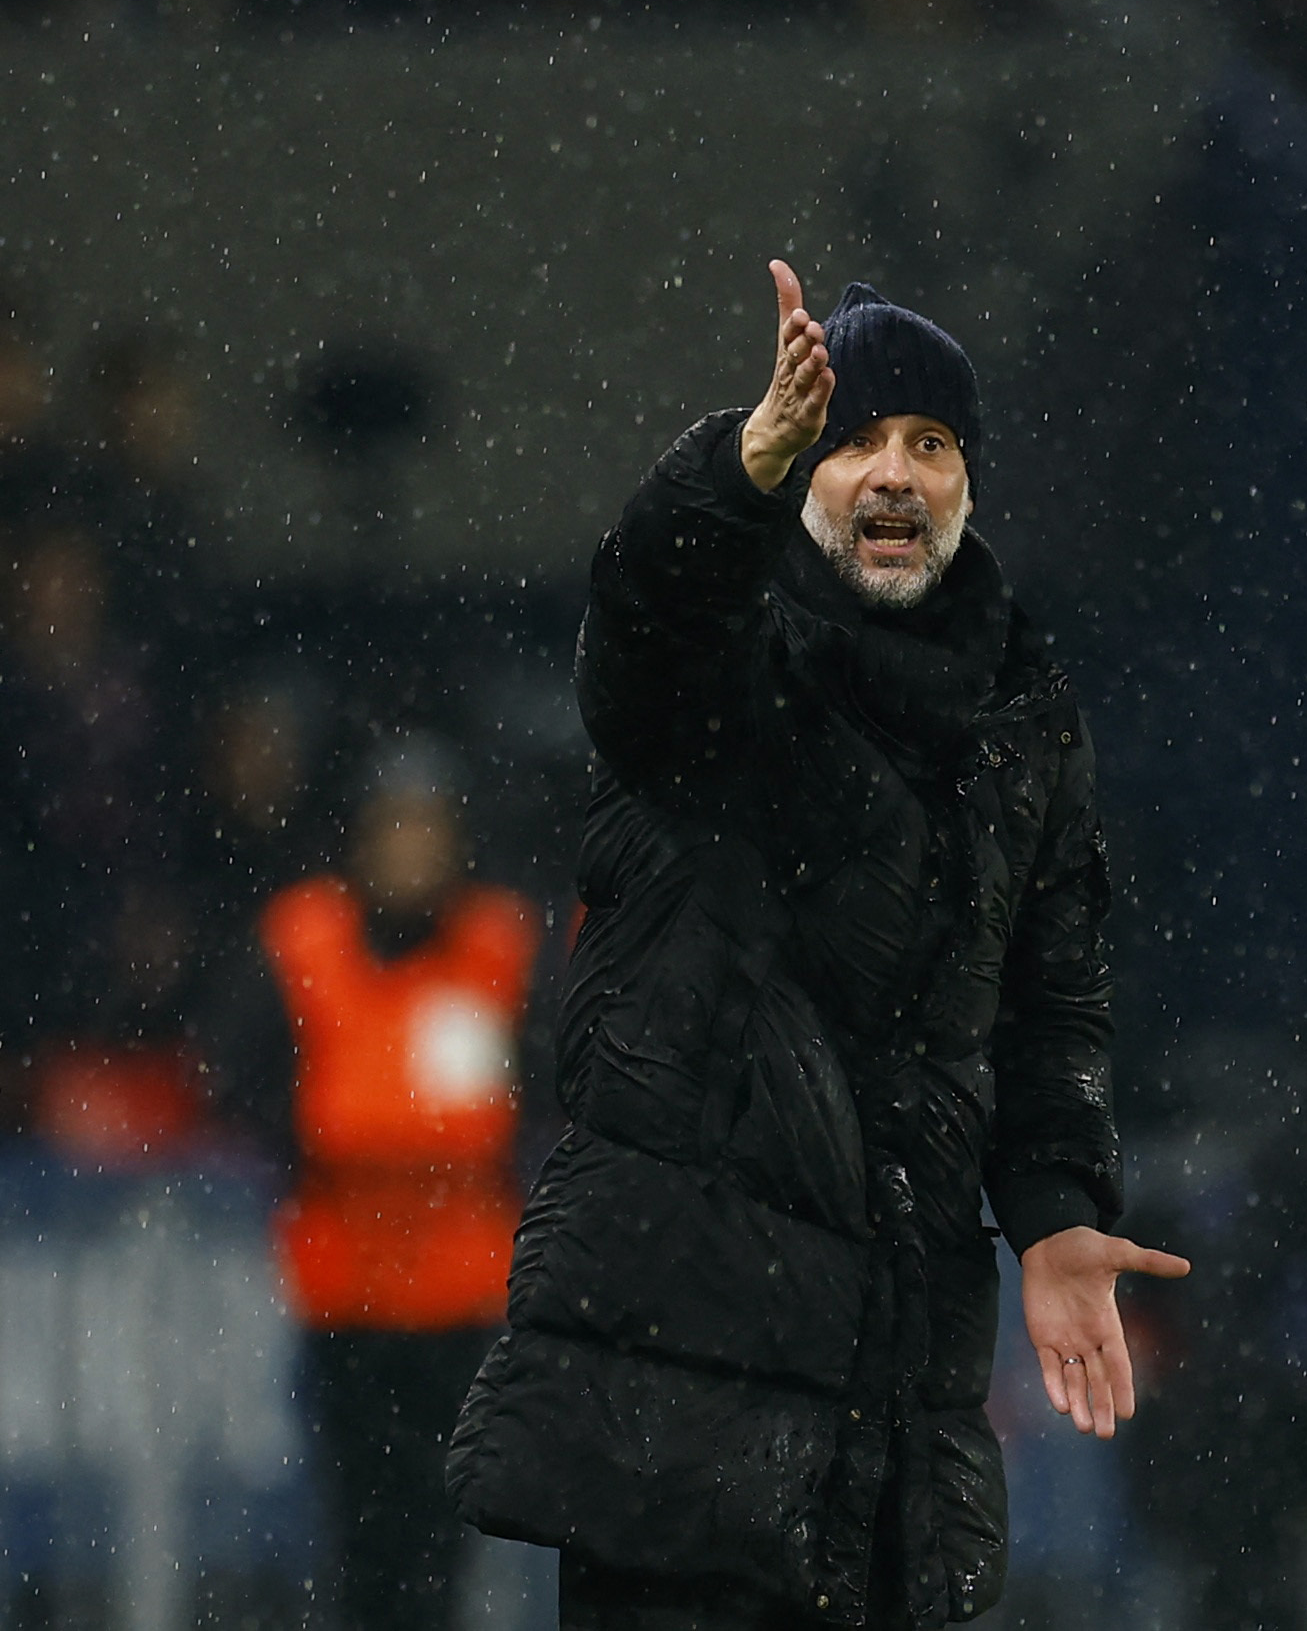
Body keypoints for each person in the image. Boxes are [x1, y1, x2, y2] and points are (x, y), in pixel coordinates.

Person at [447, 262, 1188, 1631]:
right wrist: (740, 461)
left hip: (888, 1401)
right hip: (678, 1388)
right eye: (854, 440)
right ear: (803, 475)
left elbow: (1052, 991)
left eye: (932, 443)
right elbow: (640, 638)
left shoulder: (1024, 712)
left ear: (971, 484)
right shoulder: (725, 664)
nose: (895, 472)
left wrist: (1059, 1206)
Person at [201, 751, 541, 1631]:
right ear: (358, 841)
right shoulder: (302, 940)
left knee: (444, 1537)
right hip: (344, 1297)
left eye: (427, 829)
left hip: (460, 1300)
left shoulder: (500, 946)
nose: (410, 850)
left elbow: (557, 1085)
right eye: (393, 828)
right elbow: (231, 1072)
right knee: (359, 1533)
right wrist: (321, 1140)